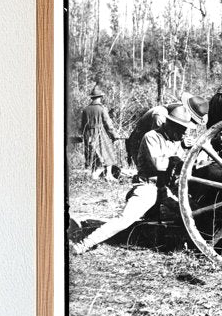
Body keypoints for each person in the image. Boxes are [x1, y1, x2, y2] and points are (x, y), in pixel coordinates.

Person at [71, 104, 192, 254]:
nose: (183, 135)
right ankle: (84, 244)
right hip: (147, 188)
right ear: (172, 125)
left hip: (163, 189)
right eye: (182, 130)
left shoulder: (175, 141)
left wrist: (184, 149)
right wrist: (178, 158)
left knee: (189, 211)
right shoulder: (151, 137)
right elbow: (159, 165)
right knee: (125, 220)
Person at [79, 87, 121, 180]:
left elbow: (82, 125)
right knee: (107, 153)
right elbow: (108, 124)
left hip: (88, 134)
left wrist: (84, 135)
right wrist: (114, 135)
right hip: (99, 133)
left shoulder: (85, 109)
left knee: (93, 155)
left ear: (92, 98)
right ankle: (108, 175)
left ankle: (94, 174)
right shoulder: (102, 109)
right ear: (99, 97)